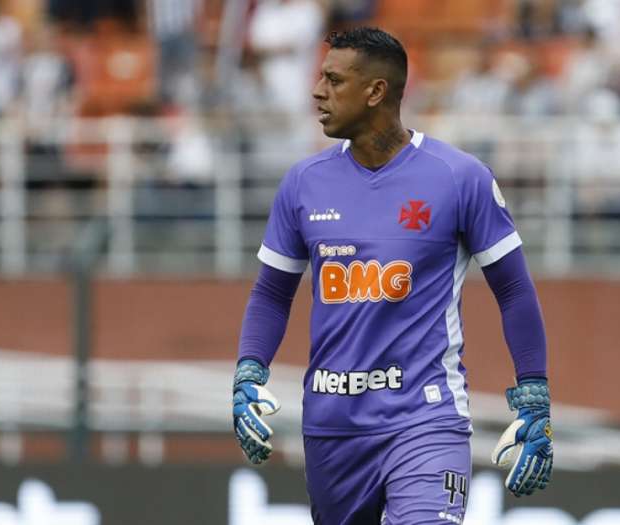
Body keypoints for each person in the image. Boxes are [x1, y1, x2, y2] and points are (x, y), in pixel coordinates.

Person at [232, 27, 553, 524]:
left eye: (334, 80)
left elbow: (512, 289)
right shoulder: (302, 183)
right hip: (332, 429)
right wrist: (249, 372)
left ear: (376, 92)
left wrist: (534, 395)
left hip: (426, 418)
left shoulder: (458, 177)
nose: (318, 91)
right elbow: (272, 293)